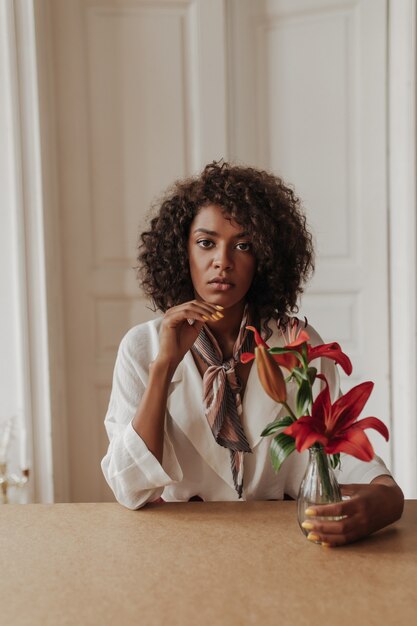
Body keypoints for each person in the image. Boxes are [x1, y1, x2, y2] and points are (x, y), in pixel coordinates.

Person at [101, 161, 404, 546]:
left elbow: (332, 457)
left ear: (264, 258)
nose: (222, 261)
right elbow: (130, 488)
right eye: (206, 243)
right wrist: (164, 367)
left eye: (243, 245)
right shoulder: (142, 347)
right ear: (182, 250)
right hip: (179, 550)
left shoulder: (299, 342)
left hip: (279, 546)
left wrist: (387, 498)